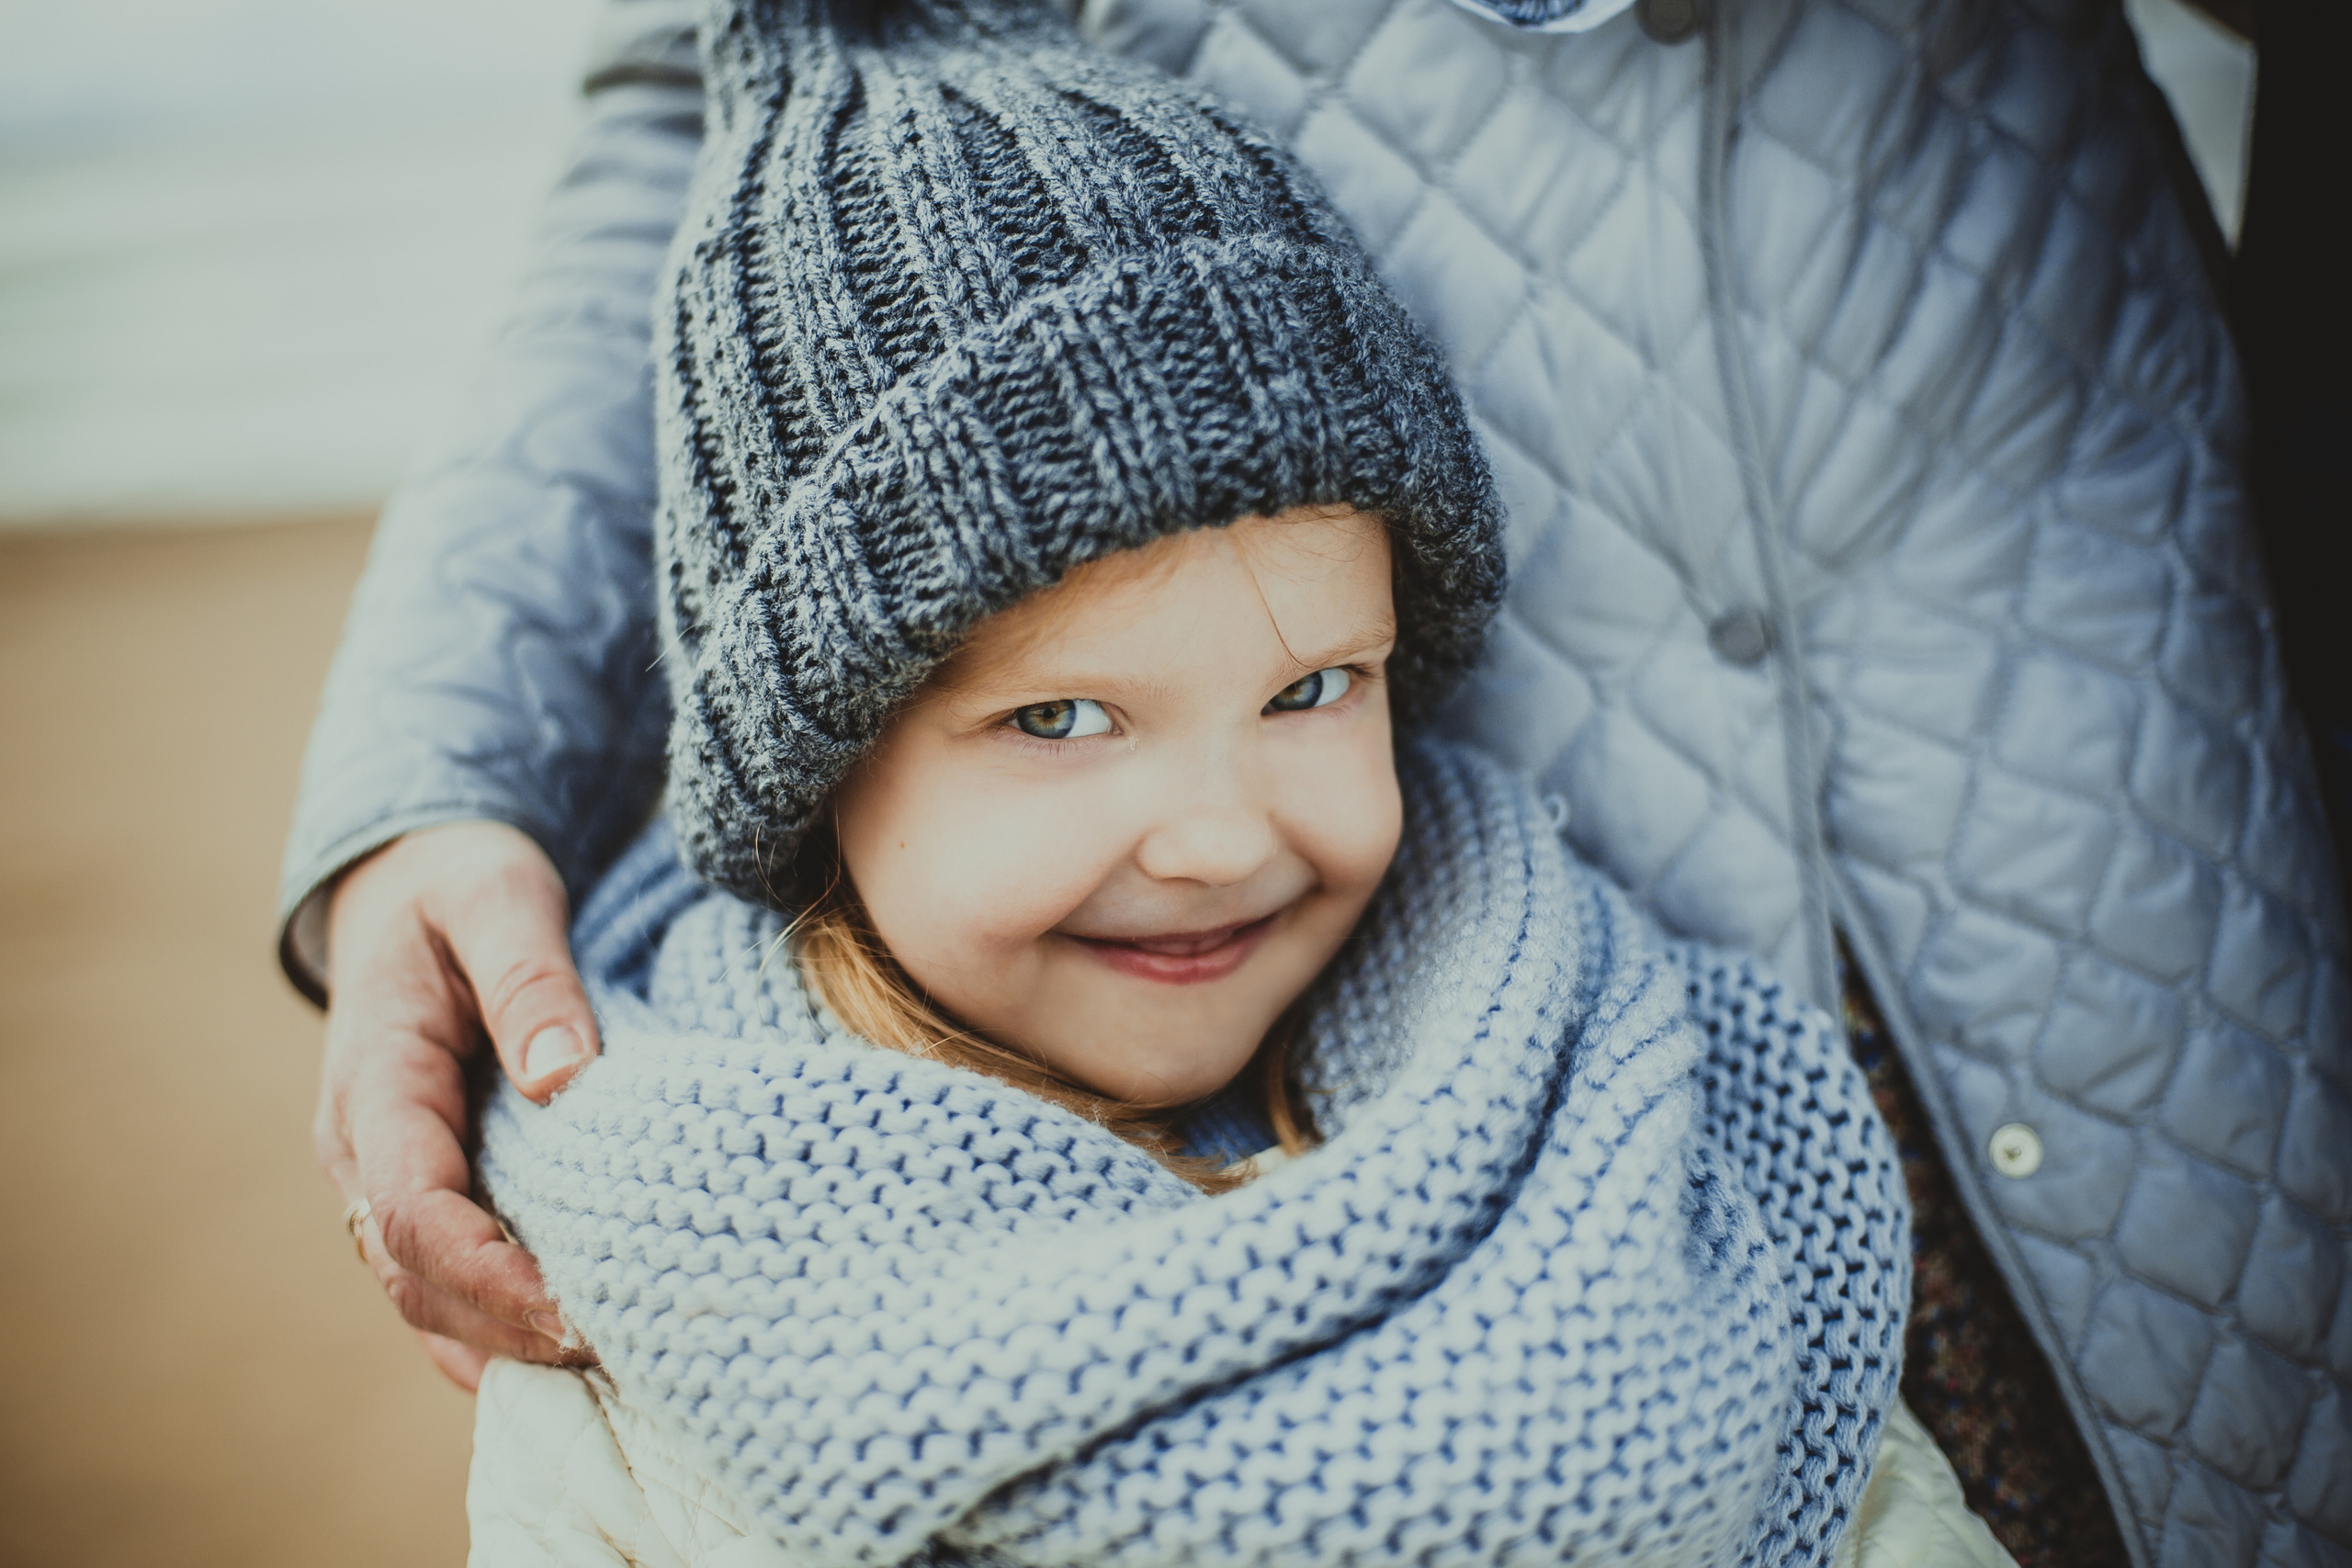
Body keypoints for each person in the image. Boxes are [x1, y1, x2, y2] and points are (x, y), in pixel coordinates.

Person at [288, 0, 2352, 1562]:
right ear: (818, 752)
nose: (1205, 831)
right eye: (1057, 719)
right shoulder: (658, 1265)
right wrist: (442, 762)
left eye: (1310, 692)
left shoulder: (1636, 1117)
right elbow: (731, 79)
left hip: (2094, 787)